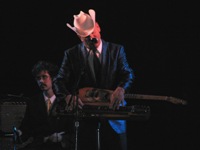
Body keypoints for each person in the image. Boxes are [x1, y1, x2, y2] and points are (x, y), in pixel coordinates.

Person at [53, 9, 134, 150]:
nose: (92, 37)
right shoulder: (72, 54)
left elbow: (128, 73)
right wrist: (67, 97)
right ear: (79, 36)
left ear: (98, 26)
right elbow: (59, 80)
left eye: (93, 32)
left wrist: (122, 88)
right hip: (86, 118)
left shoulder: (116, 50)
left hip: (113, 115)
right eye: (86, 36)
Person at [16, 61, 75, 150]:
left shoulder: (65, 101)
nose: (41, 81)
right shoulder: (33, 102)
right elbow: (26, 128)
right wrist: (20, 133)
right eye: (38, 78)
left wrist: (62, 138)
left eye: (44, 77)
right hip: (39, 146)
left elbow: (74, 131)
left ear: (53, 78)